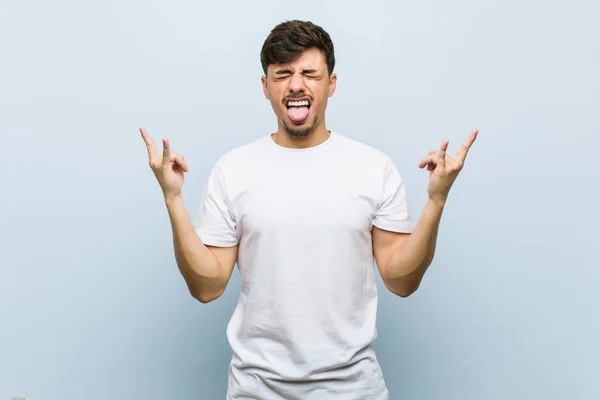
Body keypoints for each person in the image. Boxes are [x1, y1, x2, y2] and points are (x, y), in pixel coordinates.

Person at [140, 19, 477, 400]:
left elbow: (402, 281)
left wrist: (436, 201)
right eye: (283, 74)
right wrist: (172, 199)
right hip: (256, 390)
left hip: (354, 391)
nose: (296, 84)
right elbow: (206, 286)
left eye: (309, 74)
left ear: (330, 84)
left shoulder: (373, 167)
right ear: (265, 87)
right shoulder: (233, 169)